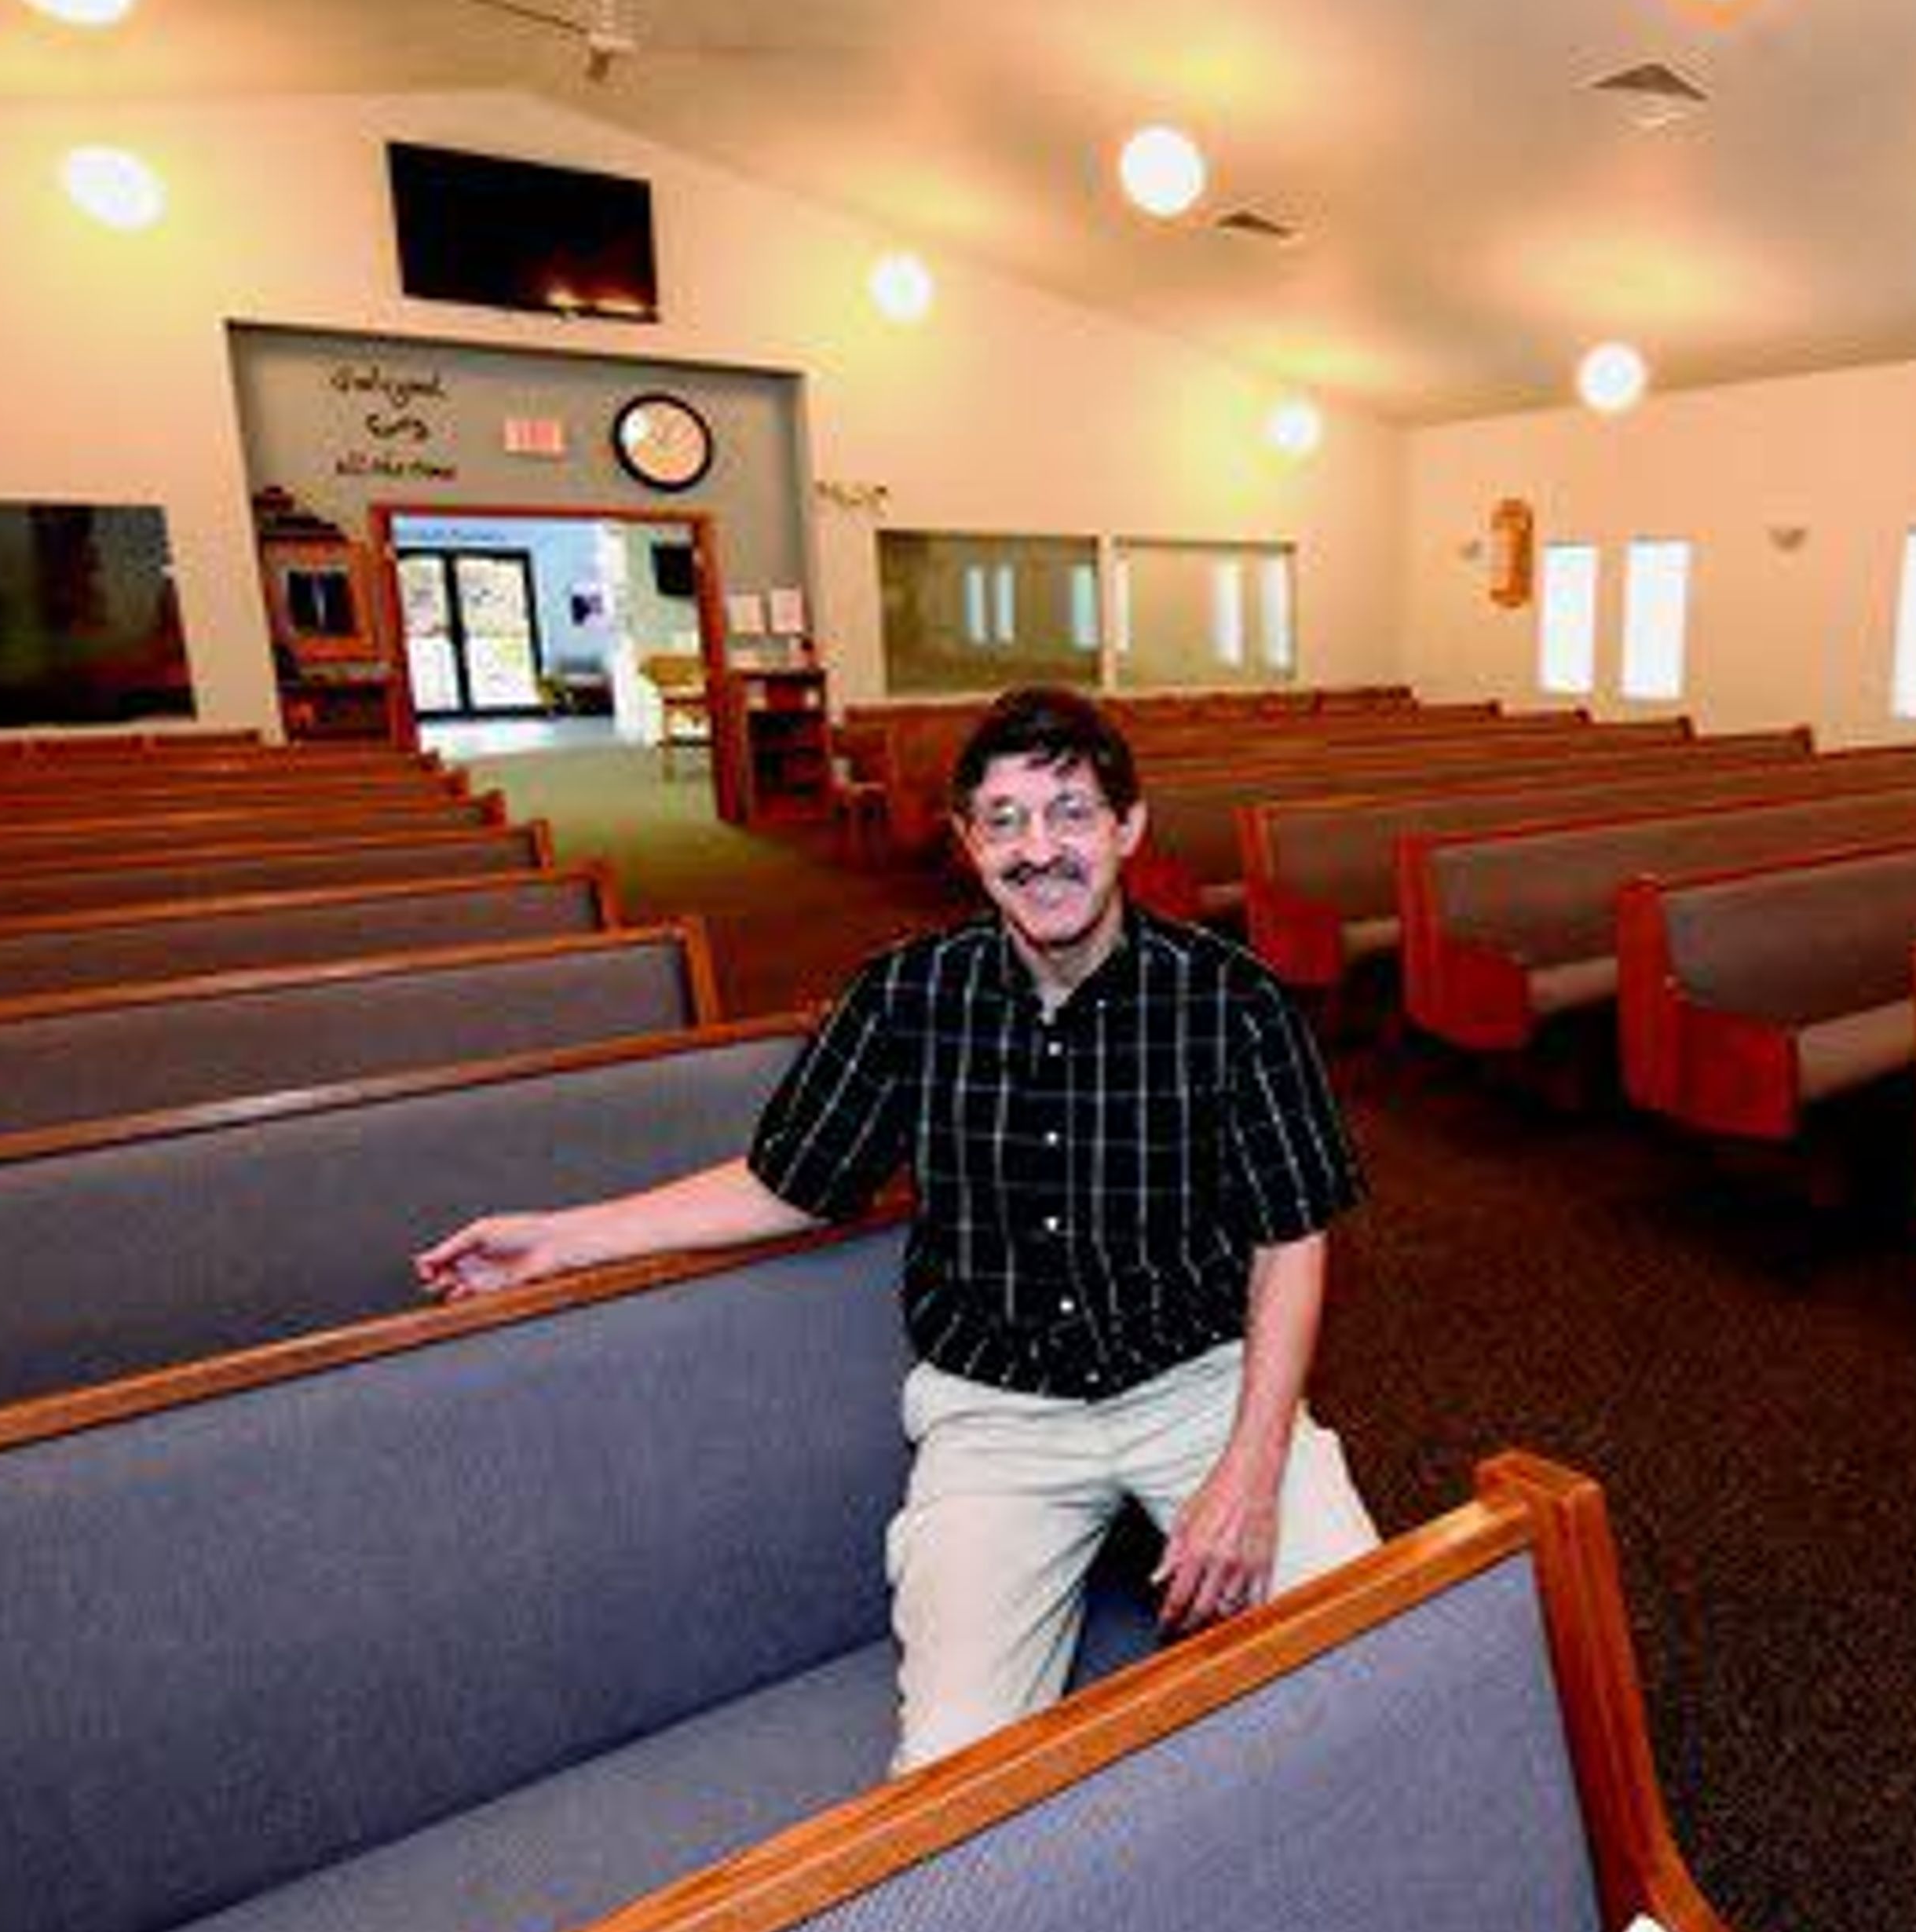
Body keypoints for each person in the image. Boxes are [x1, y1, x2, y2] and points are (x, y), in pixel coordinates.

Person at [415, 685, 1379, 1769]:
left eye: (1069, 812)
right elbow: (792, 1180)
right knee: (950, 1776)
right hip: (997, 1415)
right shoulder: (906, 997)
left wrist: (1250, 1472)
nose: (1039, 849)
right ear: (967, 845)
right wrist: (564, 1238)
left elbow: (1292, 1236)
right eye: (1004, 821)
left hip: (1196, 1386)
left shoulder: (1232, 1003)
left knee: (1380, 1653)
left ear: (1128, 828)